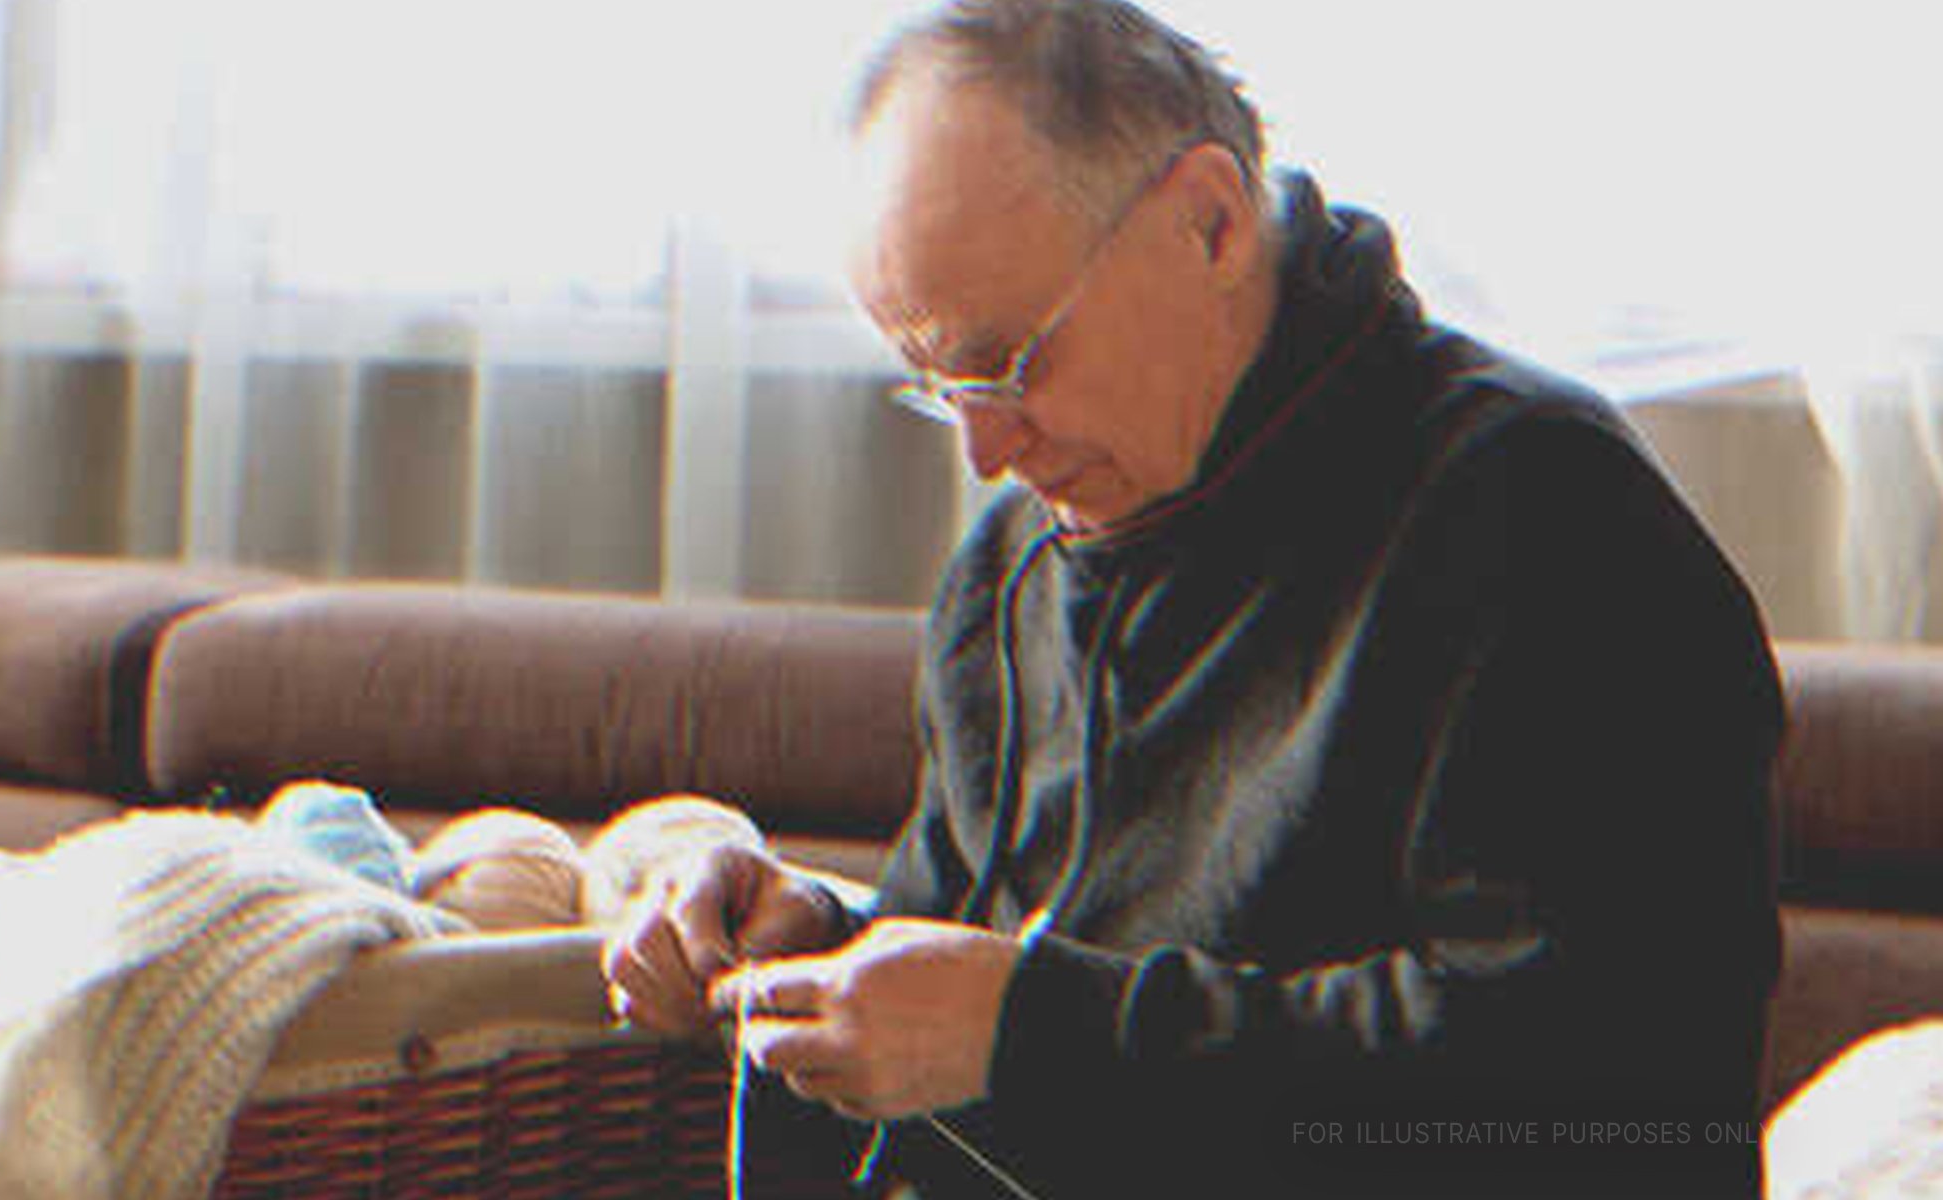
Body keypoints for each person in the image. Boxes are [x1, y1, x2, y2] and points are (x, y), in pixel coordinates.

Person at [603, 1, 1785, 1196]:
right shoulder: (1012, 571)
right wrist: (808, 947)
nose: (984, 451)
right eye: (936, 382)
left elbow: (1622, 1110)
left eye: (1011, 361)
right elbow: (968, 977)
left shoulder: (1545, 519)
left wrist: (1037, 1037)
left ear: (1209, 224)